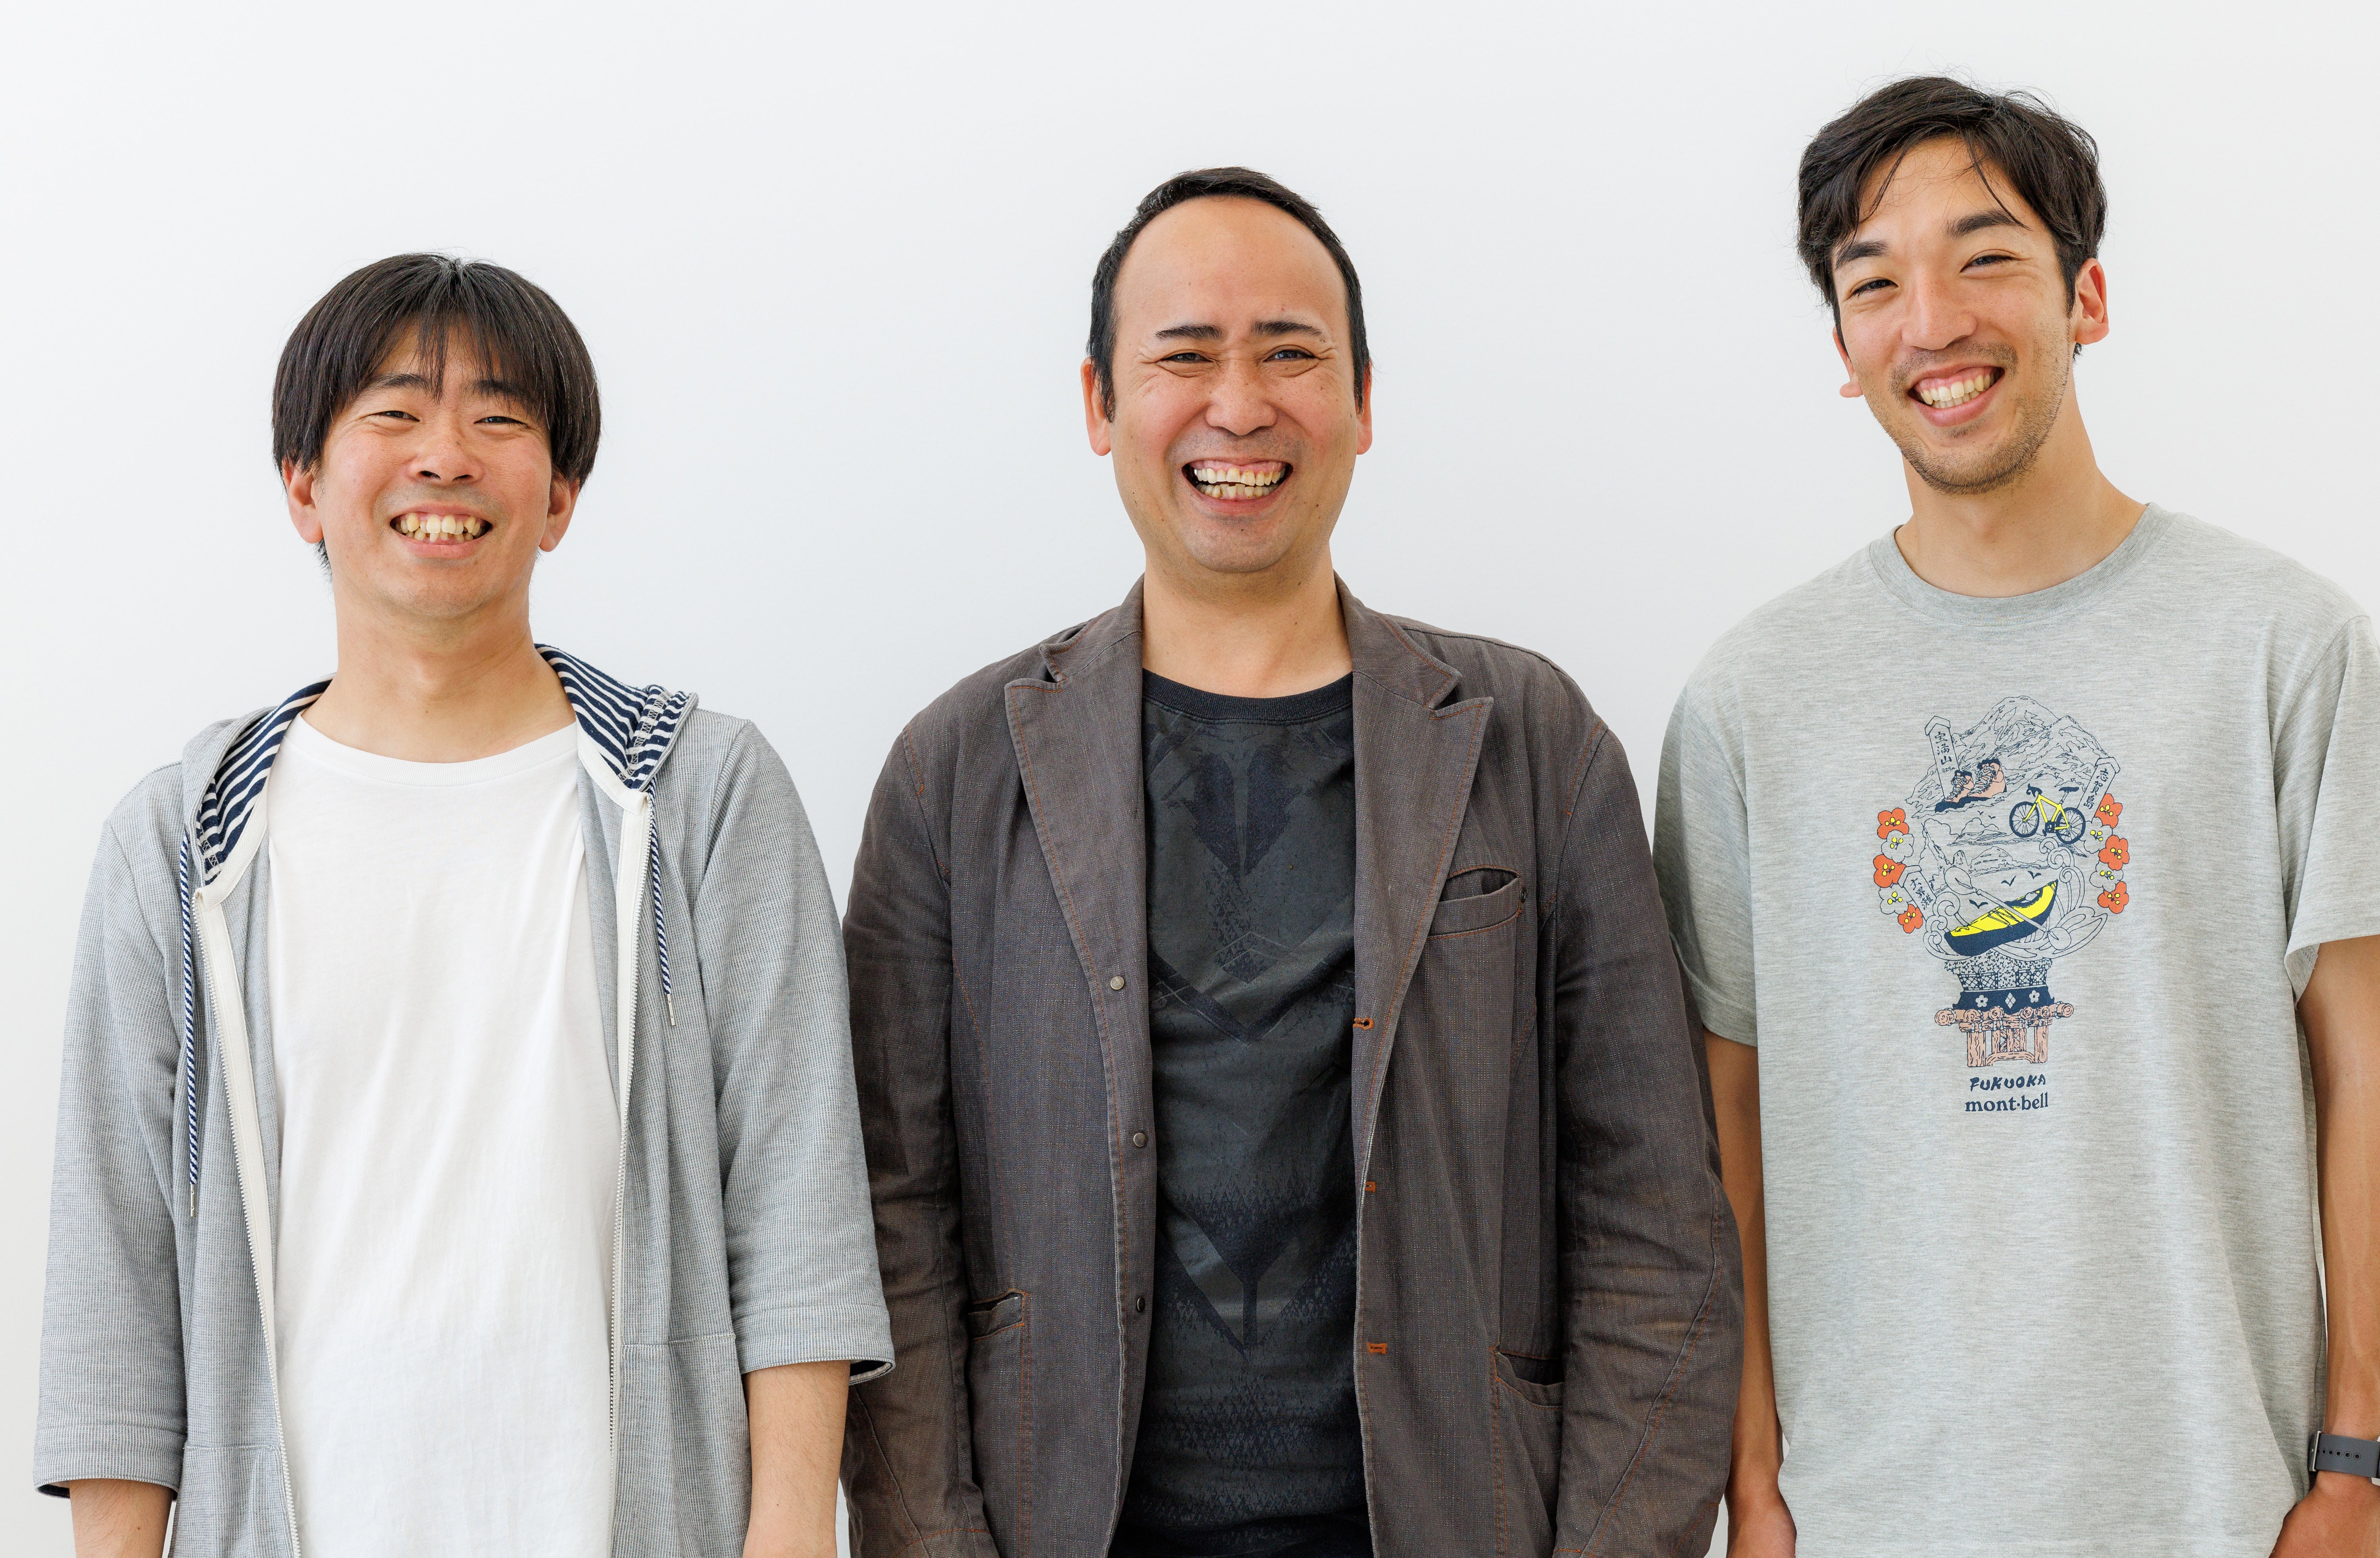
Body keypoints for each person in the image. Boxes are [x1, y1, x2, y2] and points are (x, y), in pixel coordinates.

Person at [839, 167, 1739, 1558]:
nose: (1240, 405)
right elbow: (890, 1229)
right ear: (1099, 402)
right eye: (1184, 356)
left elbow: (1654, 1218)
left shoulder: (1532, 742)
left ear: (1364, 401)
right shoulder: (955, 773)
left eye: (1290, 354)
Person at [35, 254, 891, 1557]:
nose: (444, 456)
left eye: (498, 419)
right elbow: (117, 1280)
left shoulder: (699, 795)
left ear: (560, 496)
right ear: (302, 485)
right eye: (393, 413)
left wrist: (789, 1539)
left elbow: (797, 1207)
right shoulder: (183, 844)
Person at [1654, 77, 2380, 1556]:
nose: (1932, 321)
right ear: (1845, 350)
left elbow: (2366, 1072)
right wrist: (1753, 1486)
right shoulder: (1751, 699)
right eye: (1875, 283)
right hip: (1867, 1516)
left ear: (2085, 298)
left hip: (2222, 1510)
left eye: (1985, 258)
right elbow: (1719, 1118)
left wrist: (2359, 1463)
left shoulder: (2283, 647)